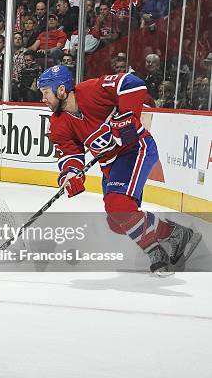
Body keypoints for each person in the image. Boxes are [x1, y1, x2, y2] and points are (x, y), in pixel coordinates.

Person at [37, 65, 201, 275]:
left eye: (45, 93)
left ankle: (155, 252)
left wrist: (127, 117)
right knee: (118, 220)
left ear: (61, 90)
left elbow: (132, 83)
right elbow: (70, 154)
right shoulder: (58, 123)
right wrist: (71, 174)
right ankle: (176, 234)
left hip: (136, 149)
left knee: (118, 206)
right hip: (112, 165)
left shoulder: (92, 90)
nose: (43, 99)